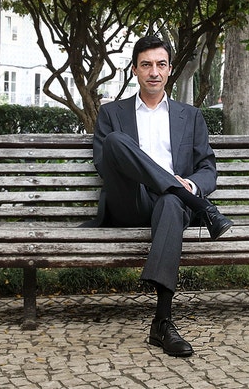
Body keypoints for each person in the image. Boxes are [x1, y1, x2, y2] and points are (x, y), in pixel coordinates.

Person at [91, 35, 233, 357]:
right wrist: (184, 192)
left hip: (173, 206)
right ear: (134, 69)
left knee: (171, 201)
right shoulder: (112, 113)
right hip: (131, 200)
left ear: (170, 69)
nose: (153, 72)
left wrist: (190, 187)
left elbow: (207, 168)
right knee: (115, 141)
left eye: (160, 64)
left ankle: (162, 322)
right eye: (146, 65)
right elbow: (104, 163)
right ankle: (201, 208)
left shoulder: (190, 116)